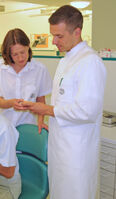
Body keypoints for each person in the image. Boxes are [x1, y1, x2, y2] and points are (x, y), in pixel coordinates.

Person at [20, 5, 106, 199]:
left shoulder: (90, 62)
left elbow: (87, 111)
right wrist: (40, 109)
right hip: (60, 149)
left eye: (59, 36)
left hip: (77, 154)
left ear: (77, 32)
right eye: (52, 35)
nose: (54, 41)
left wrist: (48, 109)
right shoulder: (66, 60)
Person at [0, 28, 52, 132]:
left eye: (23, 52)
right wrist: (10, 103)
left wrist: (41, 121)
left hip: (28, 126)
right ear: (8, 54)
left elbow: (41, 100)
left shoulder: (39, 69)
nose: (20, 58)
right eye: (15, 54)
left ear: (28, 46)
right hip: (2, 126)